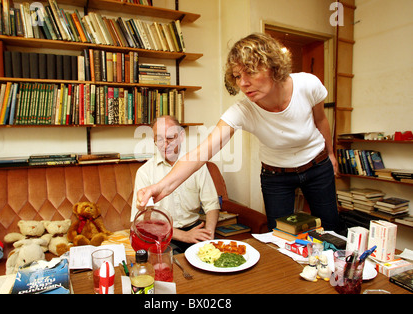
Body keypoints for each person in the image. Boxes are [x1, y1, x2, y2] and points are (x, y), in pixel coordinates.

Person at [137, 33, 339, 232]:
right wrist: (160, 187)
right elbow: (200, 154)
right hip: (276, 176)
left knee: (331, 229)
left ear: (274, 66)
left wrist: (330, 154)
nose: (242, 83)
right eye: (237, 76)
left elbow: (320, 120)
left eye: (249, 72)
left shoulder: (308, 85)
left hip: (317, 165)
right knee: (280, 238)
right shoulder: (243, 110)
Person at [131, 115, 220, 253]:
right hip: (162, 235)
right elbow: (140, 222)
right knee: (174, 265)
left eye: (170, 138)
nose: (165, 145)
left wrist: (209, 232)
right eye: (159, 139)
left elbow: (212, 204)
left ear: (181, 136)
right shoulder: (144, 172)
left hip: (195, 229)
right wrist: (184, 236)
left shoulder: (197, 165)